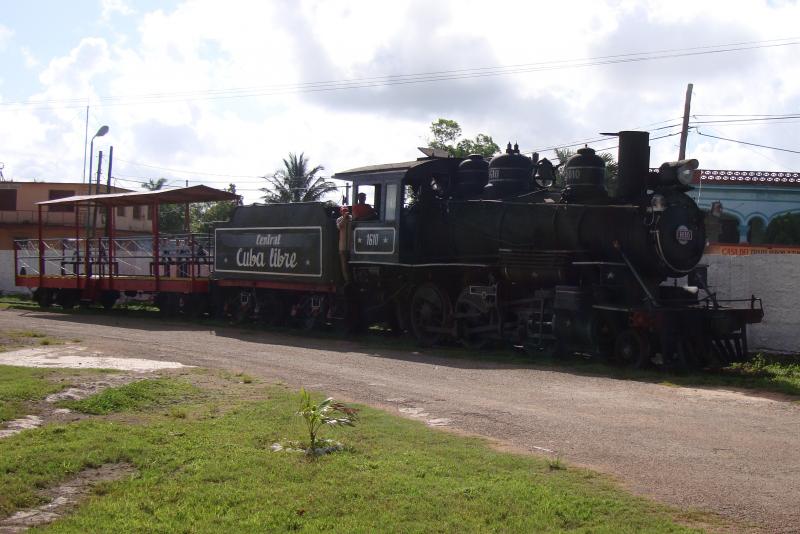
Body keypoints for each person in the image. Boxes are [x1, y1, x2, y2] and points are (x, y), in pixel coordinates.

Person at [336, 206, 352, 283]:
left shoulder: (351, 219)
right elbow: (339, 226)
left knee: (351, 266)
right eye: (343, 211)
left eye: (346, 211)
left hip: (351, 247)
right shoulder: (339, 219)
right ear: (341, 212)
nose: (344, 212)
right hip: (342, 247)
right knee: (344, 266)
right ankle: (347, 281)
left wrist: (348, 218)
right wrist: (344, 218)